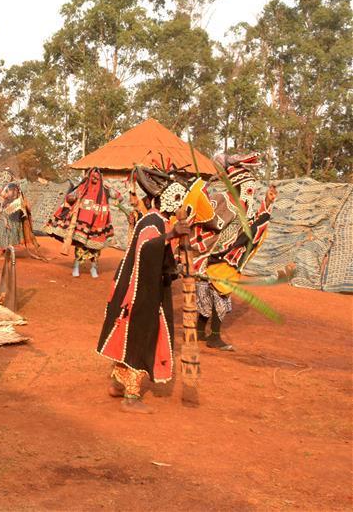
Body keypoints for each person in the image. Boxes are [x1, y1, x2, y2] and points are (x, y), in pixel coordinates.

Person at [96, 166, 191, 415]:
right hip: (140, 294)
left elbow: (161, 256)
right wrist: (171, 234)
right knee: (143, 337)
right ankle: (131, 396)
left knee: (130, 336)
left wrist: (175, 266)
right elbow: (147, 249)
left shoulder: (155, 221)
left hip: (140, 289)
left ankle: (118, 383)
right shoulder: (154, 223)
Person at [190, 153, 278, 351]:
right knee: (218, 293)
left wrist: (268, 202)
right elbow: (207, 217)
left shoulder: (243, 208)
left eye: (252, 188)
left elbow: (253, 227)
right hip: (216, 255)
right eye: (248, 187)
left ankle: (201, 332)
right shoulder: (223, 199)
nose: (251, 191)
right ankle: (212, 337)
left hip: (225, 256)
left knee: (212, 292)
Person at [44, 168, 120, 278]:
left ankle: (93, 267)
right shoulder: (82, 187)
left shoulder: (105, 189)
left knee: (96, 248)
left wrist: (117, 200)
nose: (94, 179)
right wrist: (72, 197)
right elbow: (70, 197)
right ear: (89, 177)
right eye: (92, 177)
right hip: (82, 223)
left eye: (96, 177)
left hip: (98, 224)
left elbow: (119, 196)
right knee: (80, 245)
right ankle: (76, 266)